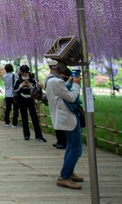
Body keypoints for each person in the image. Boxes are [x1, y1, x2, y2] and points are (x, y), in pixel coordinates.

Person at [45, 61, 84, 190]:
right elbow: (71, 97)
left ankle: (69, 171)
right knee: (76, 148)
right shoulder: (56, 81)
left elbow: (61, 92)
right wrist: (77, 85)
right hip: (67, 117)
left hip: (62, 117)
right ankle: (64, 176)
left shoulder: (50, 80)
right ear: (57, 67)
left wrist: (69, 82)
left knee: (71, 146)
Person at [13, 65, 47, 142]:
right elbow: (15, 90)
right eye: (23, 72)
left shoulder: (33, 79)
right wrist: (21, 85)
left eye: (26, 72)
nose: (25, 74)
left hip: (30, 99)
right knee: (24, 118)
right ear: (21, 72)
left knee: (34, 118)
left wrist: (30, 86)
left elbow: (36, 90)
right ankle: (26, 135)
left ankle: (39, 135)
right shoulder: (18, 80)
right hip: (22, 99)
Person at [2, 63, 19, 128]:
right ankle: (14, 123)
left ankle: (7, 122)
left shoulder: (4, 76)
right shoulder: (15, 75)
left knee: (8, 109)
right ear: (12, 68)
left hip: (7, 94)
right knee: (15, 109)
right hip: (14, 94)